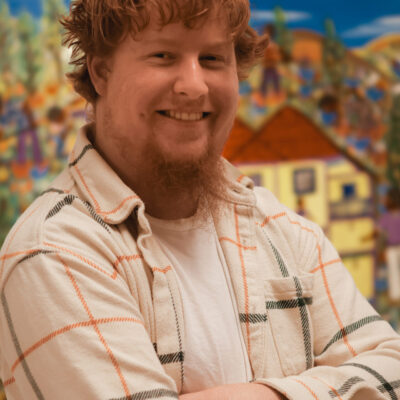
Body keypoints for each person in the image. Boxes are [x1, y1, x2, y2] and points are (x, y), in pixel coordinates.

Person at [0, 1, 399, 399]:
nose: (194, 85)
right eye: (163, 56)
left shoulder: (283, 232)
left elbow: (392, 368)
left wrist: (262, 395)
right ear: (101, 71)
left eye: (211, 59)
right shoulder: (52, 252)